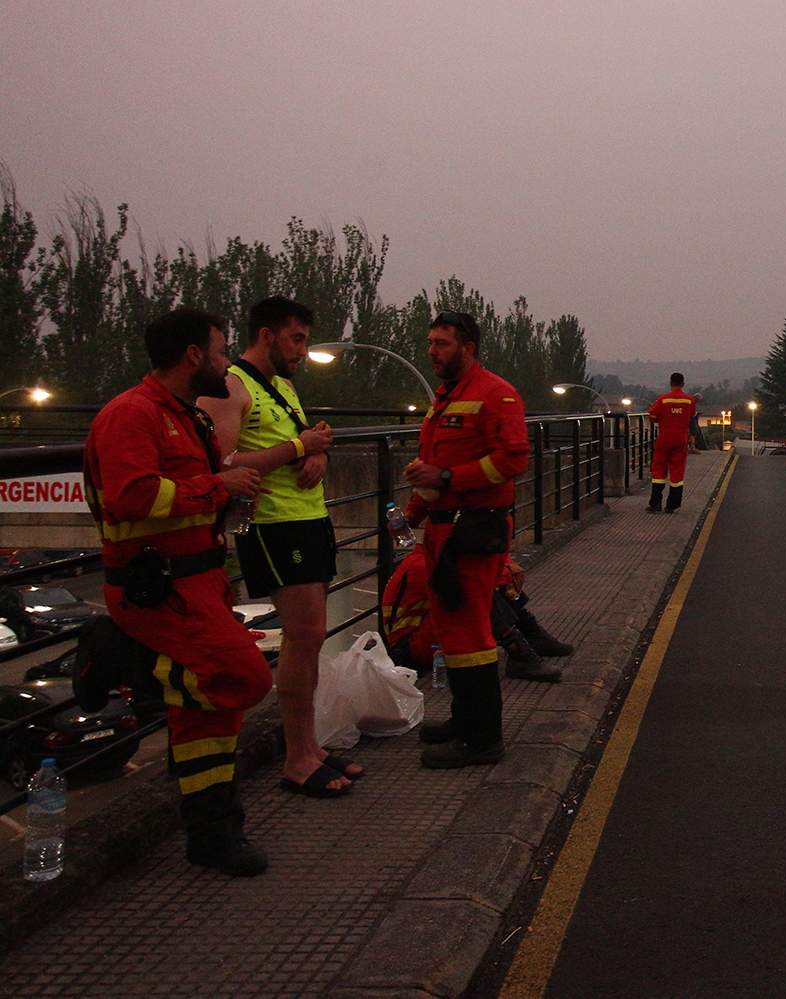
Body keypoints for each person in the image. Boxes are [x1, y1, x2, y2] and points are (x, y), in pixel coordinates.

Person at [83, 308, 273, 876]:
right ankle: (128, 657)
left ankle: (213, 834)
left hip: (201, 580)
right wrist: (216, 486)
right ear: (193, 355)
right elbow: (132, 496)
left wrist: (227, 496)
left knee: (209, 716)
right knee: (245, 678)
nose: (225, 362)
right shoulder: (131, 416)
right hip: (158, 589)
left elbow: (192, 490)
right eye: (220, 351)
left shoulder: (190, 418)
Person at [198, 296, 356, 798]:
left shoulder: (283, 387)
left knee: (311, 636)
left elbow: (302, 446)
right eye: (297, 339)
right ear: (267, 335)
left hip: (308, 518)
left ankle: (309, 746)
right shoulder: (230, 385)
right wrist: (298, 449)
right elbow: (221, 460)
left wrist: (318, 459)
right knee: (303, 635)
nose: (303, 351)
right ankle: (297, 758)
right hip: (272, 525)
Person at [402, 310, 530, 768]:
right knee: (452, 631)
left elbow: (513, 459)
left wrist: (450, 475)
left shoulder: (496, 394)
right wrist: (414, 510)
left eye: (441, 344)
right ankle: (463, 719)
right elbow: (435, 462)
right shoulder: (447, 396)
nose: (432, 351)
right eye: (431, 342)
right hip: (444, 526)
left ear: (468, 348)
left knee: (471, 633)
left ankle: (482, 740)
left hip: (473, 528)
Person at [382, 544, 573, 685]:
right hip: (412, 646)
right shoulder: (428, 565)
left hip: (425, 633)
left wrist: (506, 566)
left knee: (485, 587)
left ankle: (530, 636)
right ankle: (519, 650)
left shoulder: (436, 556)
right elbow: (483, 575)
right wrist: (508, 568)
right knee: (477, 591)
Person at [647, 373, 697, 513]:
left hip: (664, 439)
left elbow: (652, 416)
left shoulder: (663, 399)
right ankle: (672, 505)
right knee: (677, 472)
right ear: (683, 383)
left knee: (658, 470)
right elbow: (692, 416)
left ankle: (655, 504)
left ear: (671, 382)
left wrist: (661, 420)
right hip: (681, 439)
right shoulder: (689, 400)